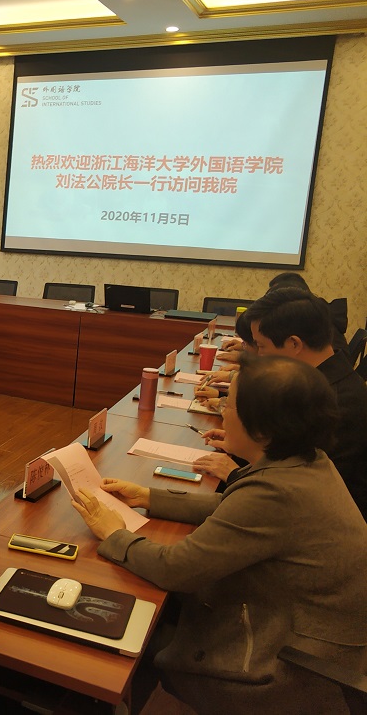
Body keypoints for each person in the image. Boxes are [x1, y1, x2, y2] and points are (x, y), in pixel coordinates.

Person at [73, 355, 367, 715]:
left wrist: (114, 533)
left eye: (229, 405)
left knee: (120, 633)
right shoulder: (308, 461)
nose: (223, 412)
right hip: (298, 632)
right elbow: (235, 506)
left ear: (262, 430)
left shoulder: (277, 493)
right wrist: (147, 497)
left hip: (289, 668)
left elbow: (175, 569)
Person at [192, 288, 367, 518]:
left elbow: (303, 493)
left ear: (294, 344)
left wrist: (235, 473)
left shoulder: (333, 403)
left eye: (261, 347)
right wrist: (252, 443)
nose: (257, 357)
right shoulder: (316, 383)